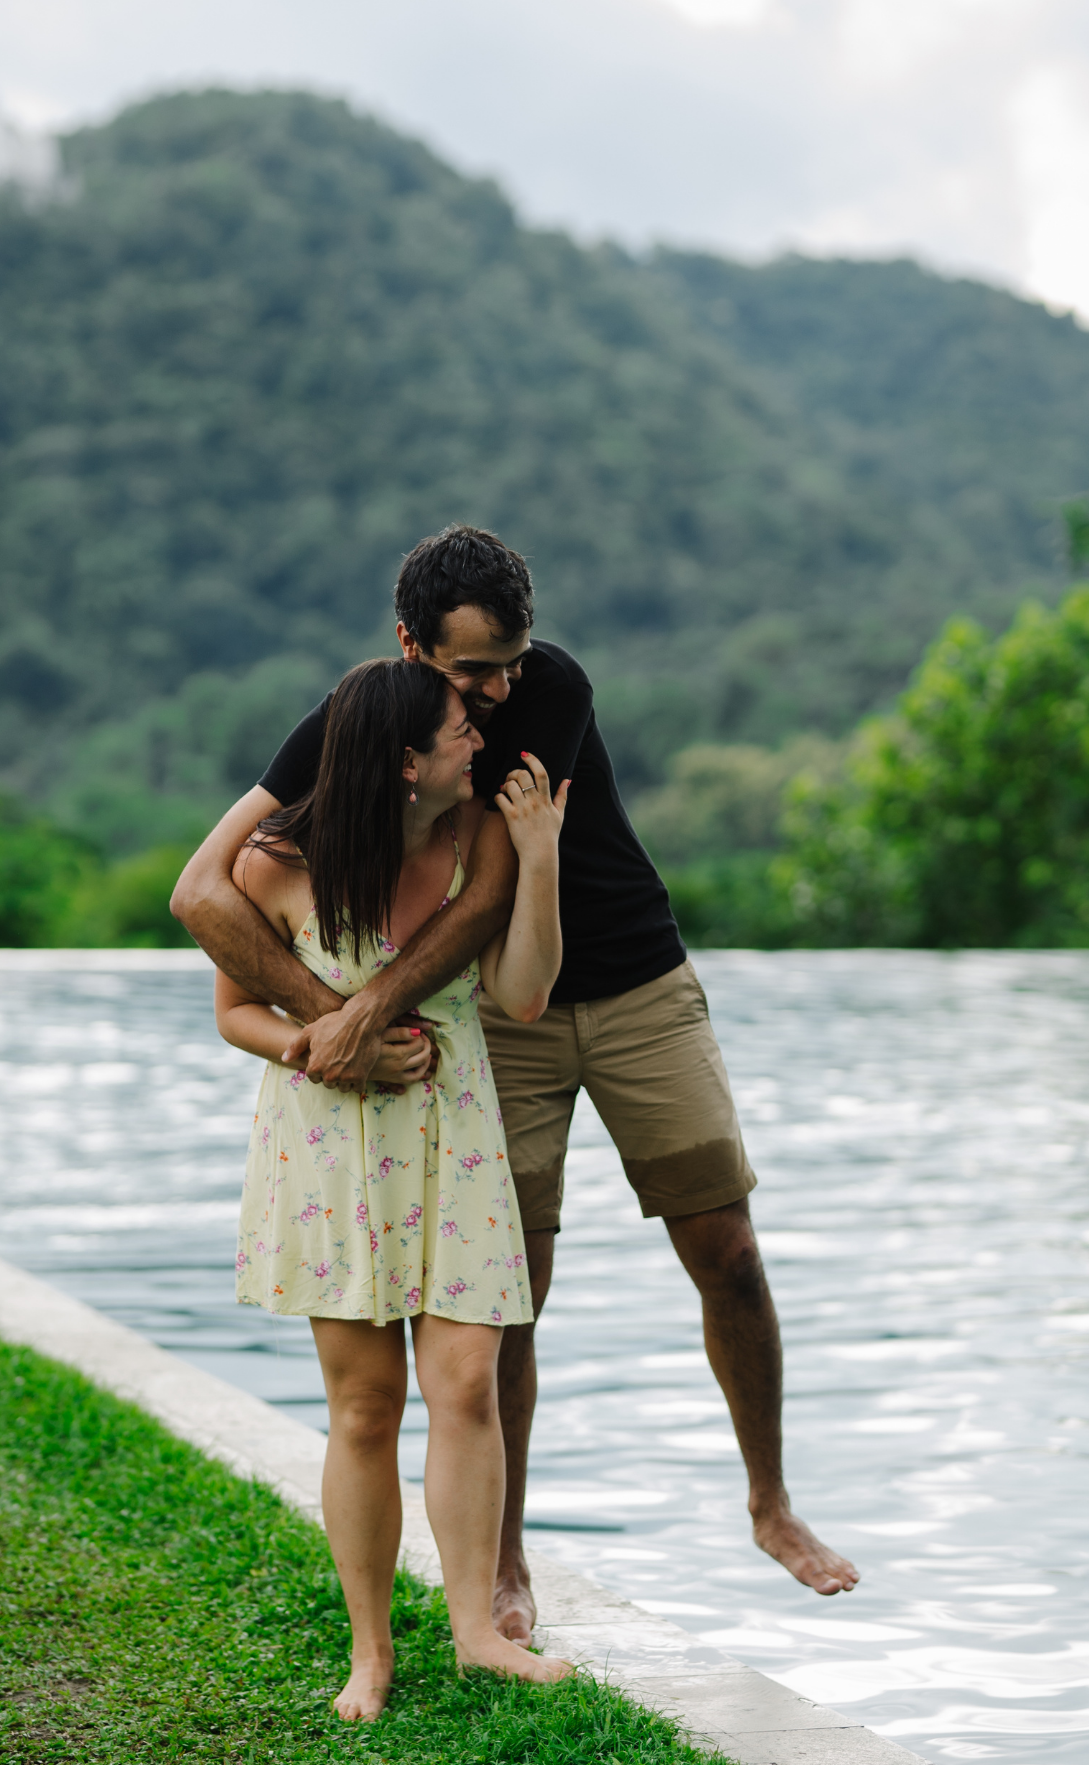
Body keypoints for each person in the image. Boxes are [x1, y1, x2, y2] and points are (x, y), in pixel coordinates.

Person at [173, 525, 859, 1648]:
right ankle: (502, 1559)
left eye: (511, 657)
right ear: (410, 646)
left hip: (627, 973)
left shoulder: (550, 690)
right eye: (470, 670)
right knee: (505, 1291)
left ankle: (769, 1503)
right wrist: (324, 1019)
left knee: (726, 1243)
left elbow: (486, 892)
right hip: (493, 1012)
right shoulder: (365, 721)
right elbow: (205, 889)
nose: (497, 688)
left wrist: (355, 1015)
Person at [214, 656, 571, 1720]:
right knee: (364, 1405)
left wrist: (542, 859)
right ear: (407, 760)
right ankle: (369, 1651)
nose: (483, 739)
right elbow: (235, 1011)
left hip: (454, 1130)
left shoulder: (484, 837)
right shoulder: (277, 865)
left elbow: (519, 993)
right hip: (332, 1138)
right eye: (464, 725)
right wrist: (324, 1045)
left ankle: (475, 1633)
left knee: (465, 1382)